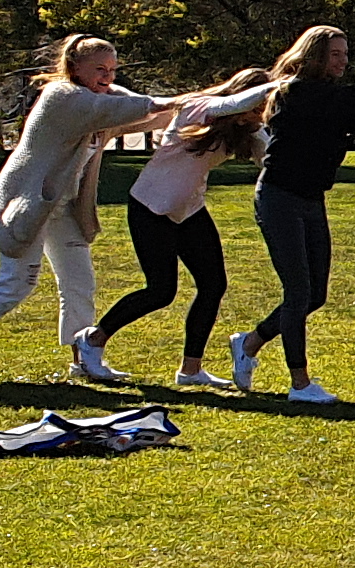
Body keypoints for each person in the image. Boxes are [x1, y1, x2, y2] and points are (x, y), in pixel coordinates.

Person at [0, 34, 186, 385]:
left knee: (79, 282)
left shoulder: (101, 99)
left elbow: (154, 115)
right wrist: (191, 100)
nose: (107, 77)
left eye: (112, 70)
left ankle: (83, 360)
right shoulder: (63, 96)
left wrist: (200, 105)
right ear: (74, 67)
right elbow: (138, 107)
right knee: (16, 283)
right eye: (99, 68)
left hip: (63, 207)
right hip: (27, 201)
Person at [84, 67, 282, 387]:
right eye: (260, 107)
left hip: (189, 210)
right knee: (161, 291)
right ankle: (93, 340)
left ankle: (190, 370)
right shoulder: (200, 106)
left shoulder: (245, 130)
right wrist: (281, 84)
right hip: (150, 207)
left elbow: (273, 161)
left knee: (213, 285)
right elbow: (228, 106)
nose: (262, 115)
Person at [235, 23, 355, 403]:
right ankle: (300, 384)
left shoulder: (330, 97)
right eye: (336, 55)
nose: (343, 61)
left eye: (345, 54)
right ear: (314, 56)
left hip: (310, 199)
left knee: (315, 295)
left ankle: (250, 342)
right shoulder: (297, 93)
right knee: (297, 292)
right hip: (279, 197)